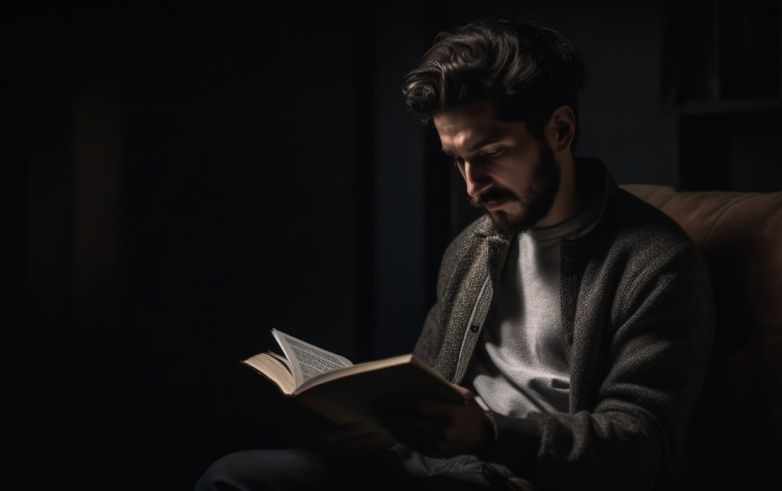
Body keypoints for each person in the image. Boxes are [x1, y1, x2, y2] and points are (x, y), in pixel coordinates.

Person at [196, 18, 714, 491]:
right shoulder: (472, 246)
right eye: (457, 160)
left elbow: (643, 443)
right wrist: (377, 422)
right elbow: (430, 378)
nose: (472, 186)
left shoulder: (654, 262)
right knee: (234, 477)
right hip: (425, 463)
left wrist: (490, 434)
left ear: (559, 130)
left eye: (490, 154)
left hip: (519, 475)